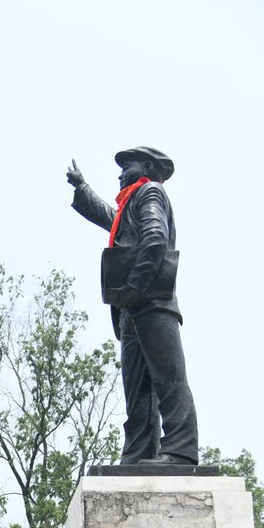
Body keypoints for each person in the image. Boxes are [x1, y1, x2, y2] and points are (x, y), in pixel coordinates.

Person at [67, 146, 199, 466]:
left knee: (168, 378)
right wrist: (83, 188)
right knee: (137, 389)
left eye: (128, 165)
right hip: (131, 309)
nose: (120, 172)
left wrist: (134, 287)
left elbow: (154, 238)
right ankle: (138, 451)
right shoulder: (131, 204)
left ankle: (181, 449)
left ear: (148, 167)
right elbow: (114, 222)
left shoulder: (149, 192)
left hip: (150, 302)